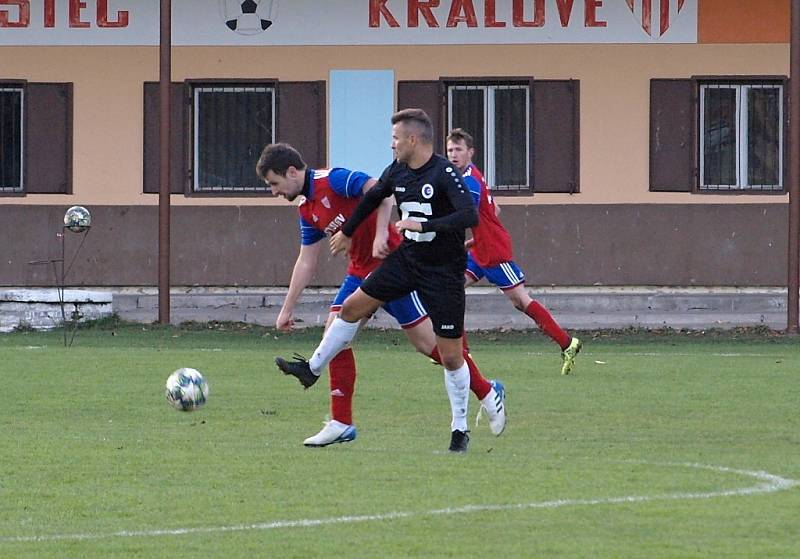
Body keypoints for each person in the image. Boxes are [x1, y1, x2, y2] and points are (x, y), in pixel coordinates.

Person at [257, 141, 505, 451]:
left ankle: (487, 390)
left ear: (292, 172)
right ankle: (341, 422)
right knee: (335, 331)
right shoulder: (307, 208)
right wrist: (286, 309)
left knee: (429, 345)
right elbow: (306, 260)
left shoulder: (333, 180)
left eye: (274, 183)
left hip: (394, 264)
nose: (273, 191)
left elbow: (382, 192)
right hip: (360, 274)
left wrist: (377, 236)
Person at [445, 128, 582, 374]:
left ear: (470, 152)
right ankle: (461, 353)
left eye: (458, 149)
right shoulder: (469, 176)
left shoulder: (469, 181)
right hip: (480, 250)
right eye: (450, 150)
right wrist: (476, 239)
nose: (453, 154)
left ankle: (567, 343)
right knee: (451, 289)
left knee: (520, 301)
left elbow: (468, 215)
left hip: (494, 251)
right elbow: (494, 210)